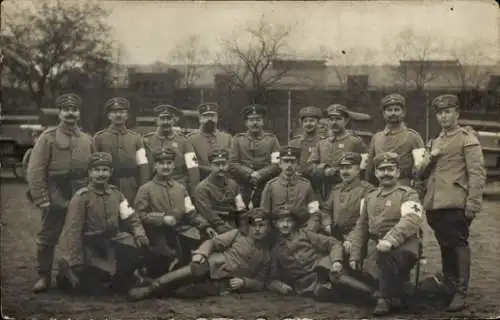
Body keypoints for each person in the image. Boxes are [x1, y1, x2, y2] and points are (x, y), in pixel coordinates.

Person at [419, 94, 486, 312]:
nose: (443, 116)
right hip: (434, 204)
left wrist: (473, 204)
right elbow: (423, 174)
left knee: (458, 245)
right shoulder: (436, 140)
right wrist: (431, 158)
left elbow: (477, 173)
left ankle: (461, 291)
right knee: (445, 245)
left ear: (457, 113)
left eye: (448, 111)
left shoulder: (467, 138)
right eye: (440, 112)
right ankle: (449, 286)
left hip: (455, 203)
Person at [128, 208, 273, 301]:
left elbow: (260, 282)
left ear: (268, 228)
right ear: (248, 226)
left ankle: (158, 288)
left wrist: (245, 282)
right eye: (254, 225)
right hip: (210, 265)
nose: (258, 230)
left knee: (183, 292)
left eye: (262, 226)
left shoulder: (266, 255)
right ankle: (150, 288)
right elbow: (212, 243)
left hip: (222, 283)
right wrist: (200, 254)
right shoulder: (237, 235)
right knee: (179, 276)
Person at [55, 152, 150, 294]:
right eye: (97, 170)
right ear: (90, 172)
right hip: (91, 245)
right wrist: (76, 260)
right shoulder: (82, 197)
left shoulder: (116, 194)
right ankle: (67, 270)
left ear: (111, 172)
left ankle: (125, 276)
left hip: (112, 241)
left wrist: (139, 234)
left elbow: (131, 218)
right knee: (93, 287)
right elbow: (73, 231)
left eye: (105, 170)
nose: (101, 174)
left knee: (134, 248)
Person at [26, 93, 93, 293]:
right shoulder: (48, 137)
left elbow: (94, 167)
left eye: (74, 110)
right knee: (48, 236)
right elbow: (36, 169)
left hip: (80, 191)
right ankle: (43, 276)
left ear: (79, 113)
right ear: (60, 112)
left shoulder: (87, 139)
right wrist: (42, 198)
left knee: (82, 234)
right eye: (66, 110)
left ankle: (77, 274)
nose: (70, 113)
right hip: (55, 191)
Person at [348, 152, 424, 316]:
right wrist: (355, 254)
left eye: (390, 169)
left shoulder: (407, 193)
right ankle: (399, 294)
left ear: (398, 172)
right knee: (358, 270)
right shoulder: (369, 197)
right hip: (377, 246)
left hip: (405, 245)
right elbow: (361, 227)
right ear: (376, 173)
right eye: (382, 170)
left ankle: (383, 299)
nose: (386, 174)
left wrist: (391, 240)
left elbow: (411, 220)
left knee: (384, 255)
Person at [134, 147, 217, 277]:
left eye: (169, 163)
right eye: (161, 163)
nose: (165, 166)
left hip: (179, 230)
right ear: (155, 165)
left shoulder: (180, 188)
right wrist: (161, 219)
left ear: (173, 165)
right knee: (164, 259)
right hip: (157, 233)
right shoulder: (145, 189)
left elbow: (191, 212)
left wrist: (205, 226)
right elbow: (139, 215)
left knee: (198, 246)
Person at [267, 206, 374, 301]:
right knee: (324, 292)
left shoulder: (304, 234)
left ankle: (377, 295)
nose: (285, 225)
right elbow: (272, 277)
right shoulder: (275, 250)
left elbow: (334, 243)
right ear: (275, 224)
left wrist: (336, 261)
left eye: (289, 221)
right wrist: (280, 286)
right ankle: (369, 300)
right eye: (281, 221)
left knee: (338, 277)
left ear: (294, 223)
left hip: (325, 268)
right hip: (309, 283)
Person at [93, 97, 149, 204]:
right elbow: (93, 165)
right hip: (107, 184)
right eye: (114, 112)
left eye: (121, 112)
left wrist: (143, 188)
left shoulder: (136, 138)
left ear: (127, 115)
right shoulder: (99, 138)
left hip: (130, 185)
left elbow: (143, 165)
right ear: (109, 116)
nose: (118, 115)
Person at [306, 104, 367, 200]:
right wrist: (323, 169)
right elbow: (310, 166)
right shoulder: (321, 144)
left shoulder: (355, 142)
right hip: (325, 190)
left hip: (349, 191)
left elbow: (363, 168)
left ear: (346, 121)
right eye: (331, 119)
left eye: (338, 119)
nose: (334, 122)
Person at [366, 93, 426, 190]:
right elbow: (370, 169)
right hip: (380, 189)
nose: (393, 113)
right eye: (389, 110)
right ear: (384, 113)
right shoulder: (376, 138)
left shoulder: (413, 137)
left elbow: (422, 168)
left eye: (397, 110)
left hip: (404, 188)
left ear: (403, 112)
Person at [229, 104, 281, 209]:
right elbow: (232, 163)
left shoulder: (272, 139)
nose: (255, 123)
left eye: (258, 119)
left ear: (263, 121)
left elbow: (277, 164)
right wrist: (250, 173)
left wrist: (260, 174)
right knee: (241, 212)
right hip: (243, 184)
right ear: (246, 123)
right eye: (251, 120)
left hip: (265, 183)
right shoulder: (237, 140)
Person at [321, 152, 374, 254]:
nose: (344, 171)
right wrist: (327, 223)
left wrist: (351, 238)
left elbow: (365, 219)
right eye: (342, 168)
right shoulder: (336, 189)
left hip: (357, 238)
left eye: (348, 167)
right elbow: (325, 210)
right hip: (335, 235)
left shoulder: (367, 190)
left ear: (358, 170)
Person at [142, 104, 200, 195]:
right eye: (162, 118)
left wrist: (193, 191)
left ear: (174, 120)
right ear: (156, 120)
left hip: (179, 184)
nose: (166, 122)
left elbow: (193, 168)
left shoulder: (184, 141)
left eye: (169, 118)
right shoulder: (147, 140)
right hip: (155, 186)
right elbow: (144, 169)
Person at [260, 145, 321, 231]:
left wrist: (309, 230)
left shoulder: (306, 185)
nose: (289, 165)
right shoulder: (271, 185)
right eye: (286, 161)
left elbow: (314, 213)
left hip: (300, 231)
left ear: (298, 164)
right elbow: (264, 215)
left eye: (293, 162)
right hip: (277, 233)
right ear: (280, 163)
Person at [193, 148, 247, 234]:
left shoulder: (233, 184)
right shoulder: (202, 188)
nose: (221, 168)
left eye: (224, 164)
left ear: (228, 165)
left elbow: (241, 209)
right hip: (213, 227)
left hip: (233, 223)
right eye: (216, 164)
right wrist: (232, 232)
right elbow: (209, 215)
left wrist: (243, 227)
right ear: (210, 165)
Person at [187, 102, 232, 181]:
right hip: (202, 180)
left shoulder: (227, 138)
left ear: (217, 118)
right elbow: (191, 165)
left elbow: (232, 162)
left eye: (212, 116)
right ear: (200, 119)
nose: (210, 119)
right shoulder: (190, 140)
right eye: (206, 116)